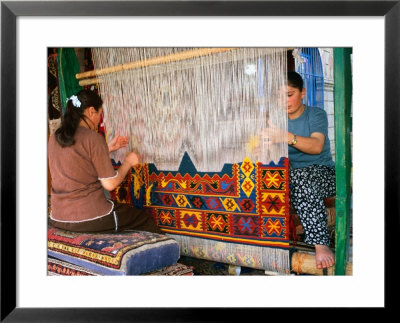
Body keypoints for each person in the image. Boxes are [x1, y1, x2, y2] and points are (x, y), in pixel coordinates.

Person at [48, 89, 161, 234]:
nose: (99, 120)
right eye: (100, 114)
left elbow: (76, 160)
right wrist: (128, 162)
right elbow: (110, 184)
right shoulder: (93, 138)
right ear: (91, 112)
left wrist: (106, 148)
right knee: (143, 220)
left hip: (58, 216)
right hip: (90, 217)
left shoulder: (54, 138)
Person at [261, 71, 336, 269]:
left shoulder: (316, 114)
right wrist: (263, 144)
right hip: (293, 178)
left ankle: (321, 244)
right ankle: (262, 243)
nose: (284, 101)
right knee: (259, 179)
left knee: (301, 176)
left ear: (302, 93)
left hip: (323, 174)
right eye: (279, 96)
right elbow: (263, 153)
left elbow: (316, 146)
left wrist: (286, 137)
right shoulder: (275, 121)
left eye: (289, 94)